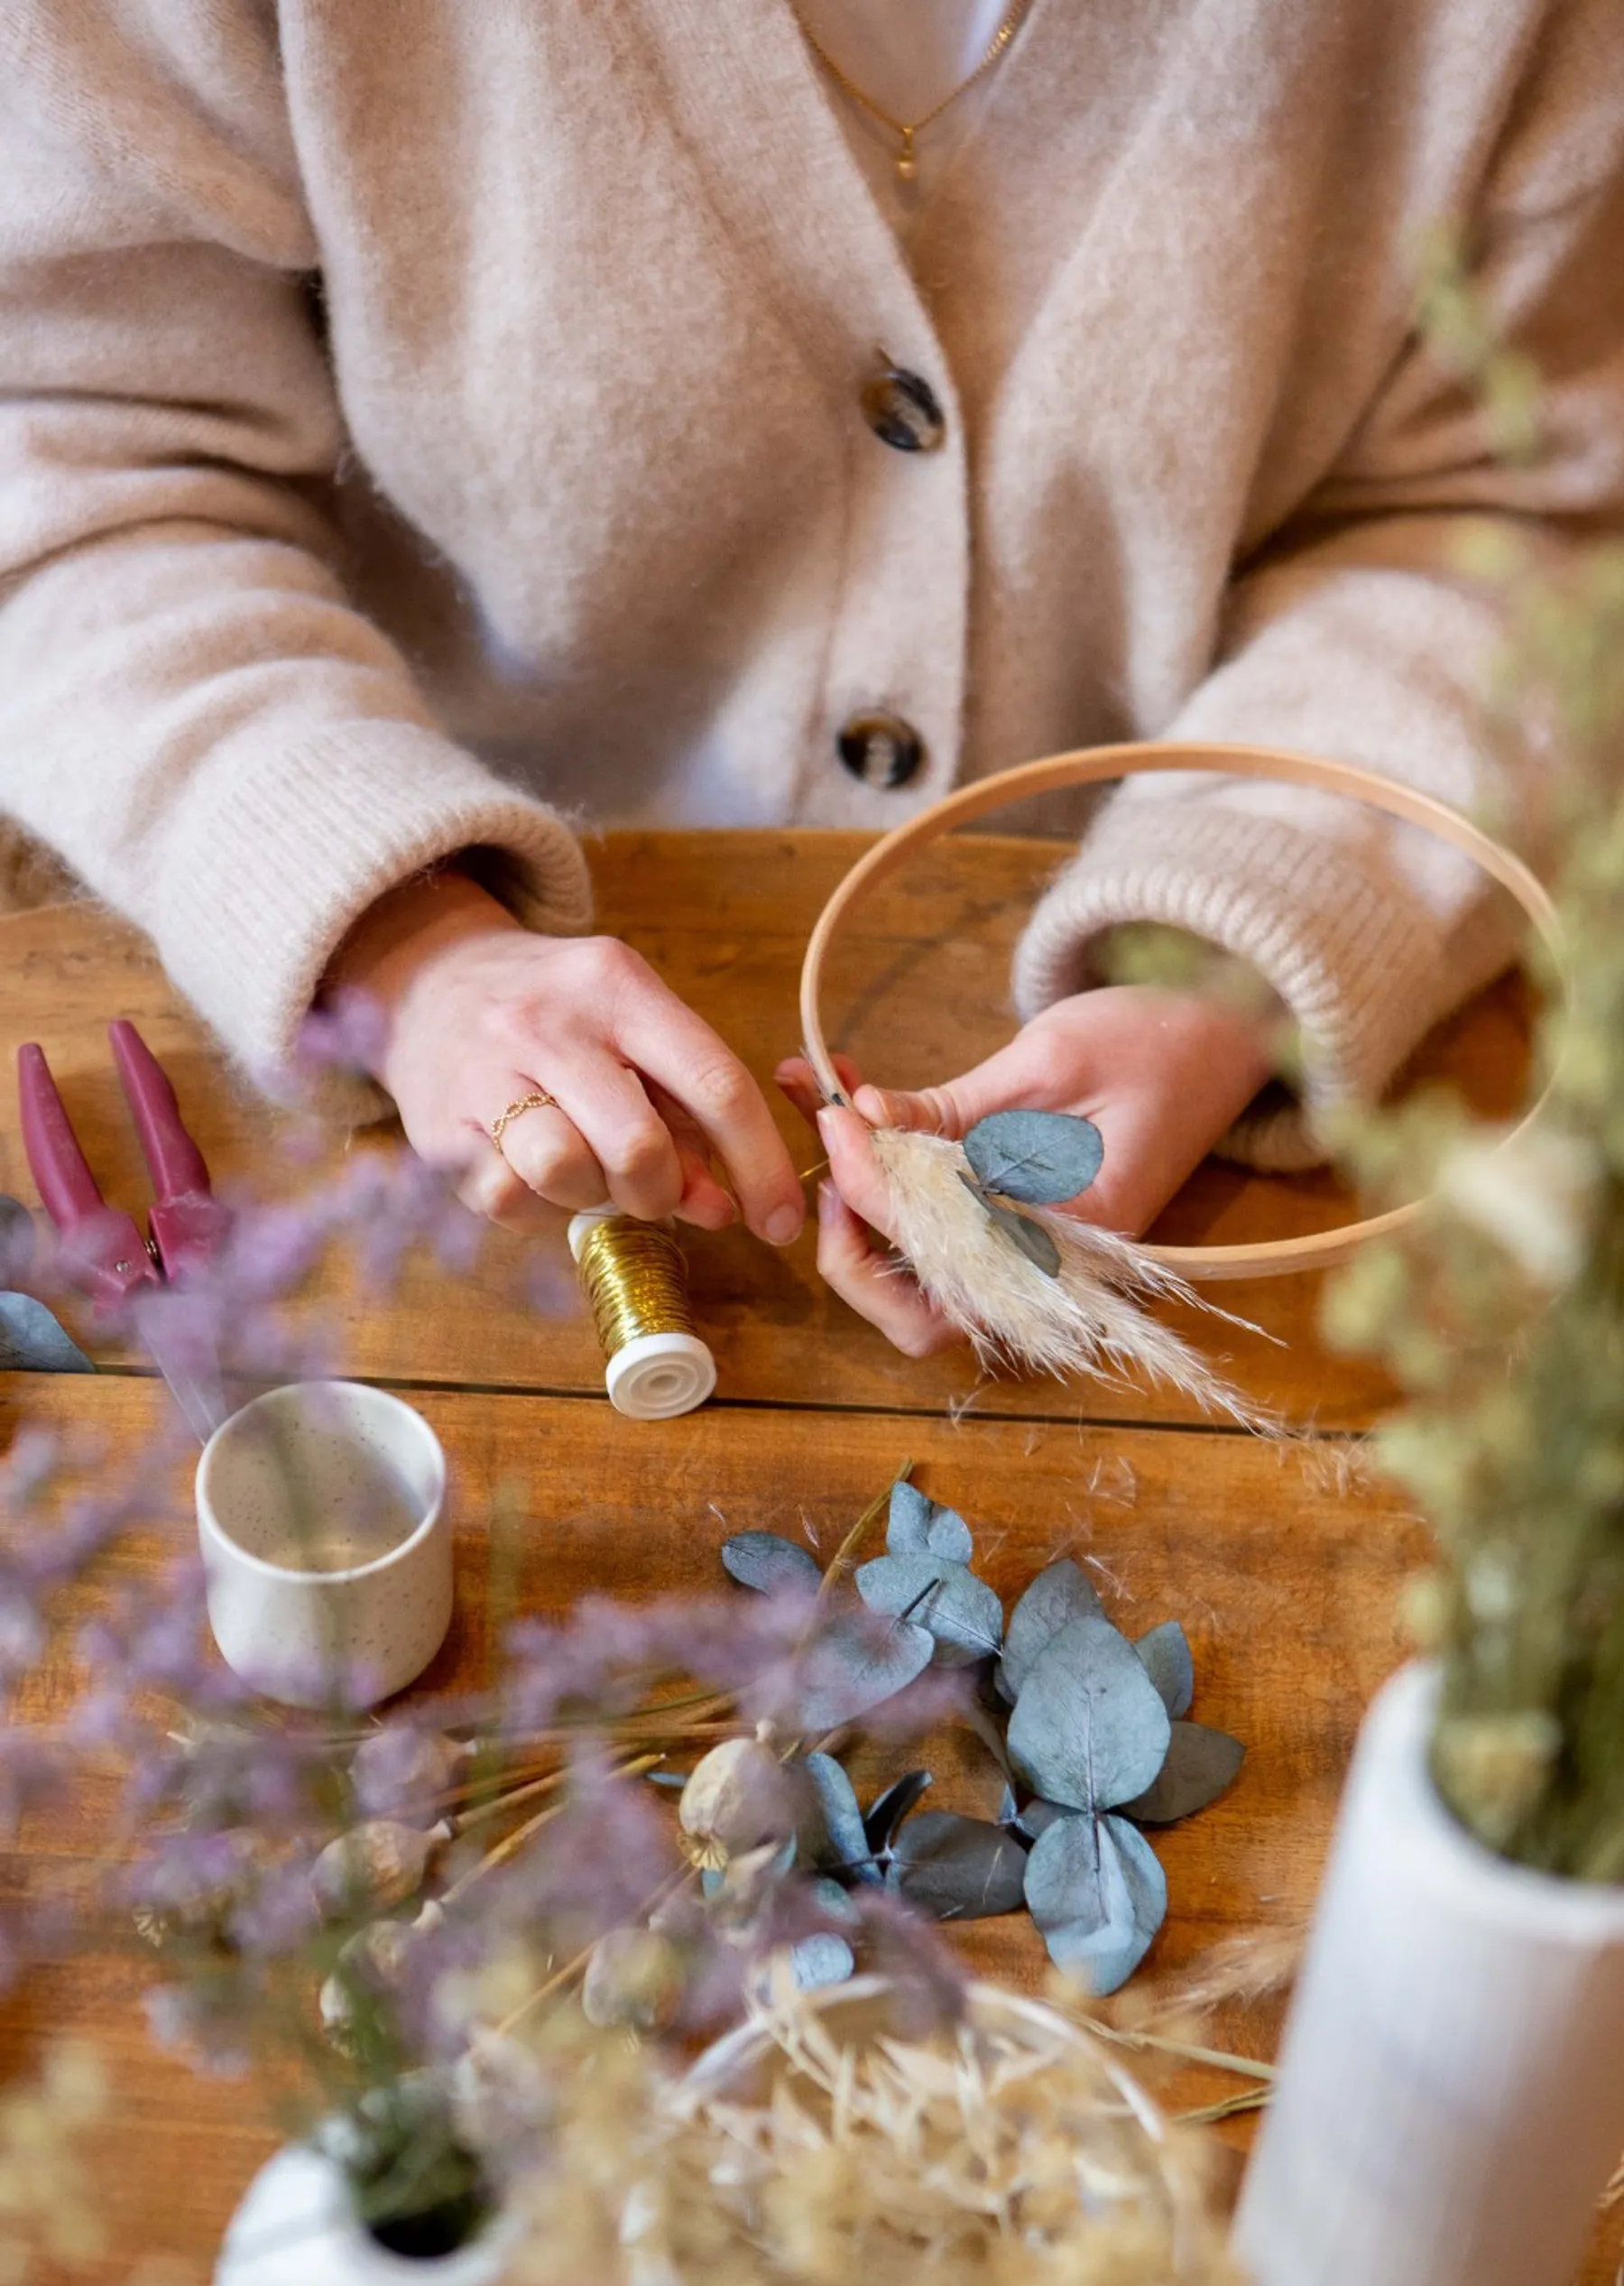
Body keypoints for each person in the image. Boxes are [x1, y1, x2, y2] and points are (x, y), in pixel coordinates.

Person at [3, 2, 1622, 1356]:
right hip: (431, 968)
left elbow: (1536, 521)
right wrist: (403, 939)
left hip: (1156, 933)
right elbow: (72, 455)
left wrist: (1224, 958)